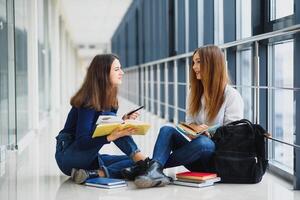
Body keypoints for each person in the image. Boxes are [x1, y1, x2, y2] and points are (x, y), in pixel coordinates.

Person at [132, 45, 244, 188]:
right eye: (193, 62)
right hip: (194, 155)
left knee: (204, 143)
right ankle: (154, 169)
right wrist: (194, 129)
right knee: (167, 130)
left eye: (198, 62)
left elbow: (234, 135)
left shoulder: (231, 96)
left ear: (212, 64)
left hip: (216, 159)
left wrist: (209, 131)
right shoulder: (194, 93)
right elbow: (190, 124)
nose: (194, 67)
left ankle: (146, 168)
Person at [55, 54, 149, 184]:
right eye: (117, 69)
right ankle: (143, 161)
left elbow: (105, 125)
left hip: (89, 160)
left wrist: (123, 120)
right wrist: (112, 136)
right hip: (69, 158)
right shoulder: (88, 100)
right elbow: (82, 142)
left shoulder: (110, 100)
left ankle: (95, 174)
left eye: (120, 68)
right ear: (103, 73)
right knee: (141, 162)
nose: (122, 72)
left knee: (133, 163)